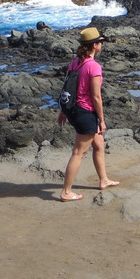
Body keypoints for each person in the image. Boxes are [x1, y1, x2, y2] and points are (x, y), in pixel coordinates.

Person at [58, 27, 120, 202]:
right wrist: (102, 120)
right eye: (100, 42)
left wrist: (63, 111)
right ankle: (66, 192)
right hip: (84, 113)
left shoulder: (75, 62)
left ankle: (104, 180)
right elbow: (96, 96)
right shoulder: (94, 66)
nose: (101, 45)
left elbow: (67, 88)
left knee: (98, 144)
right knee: (79, 152)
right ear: (94, 45)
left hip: (74, 110)